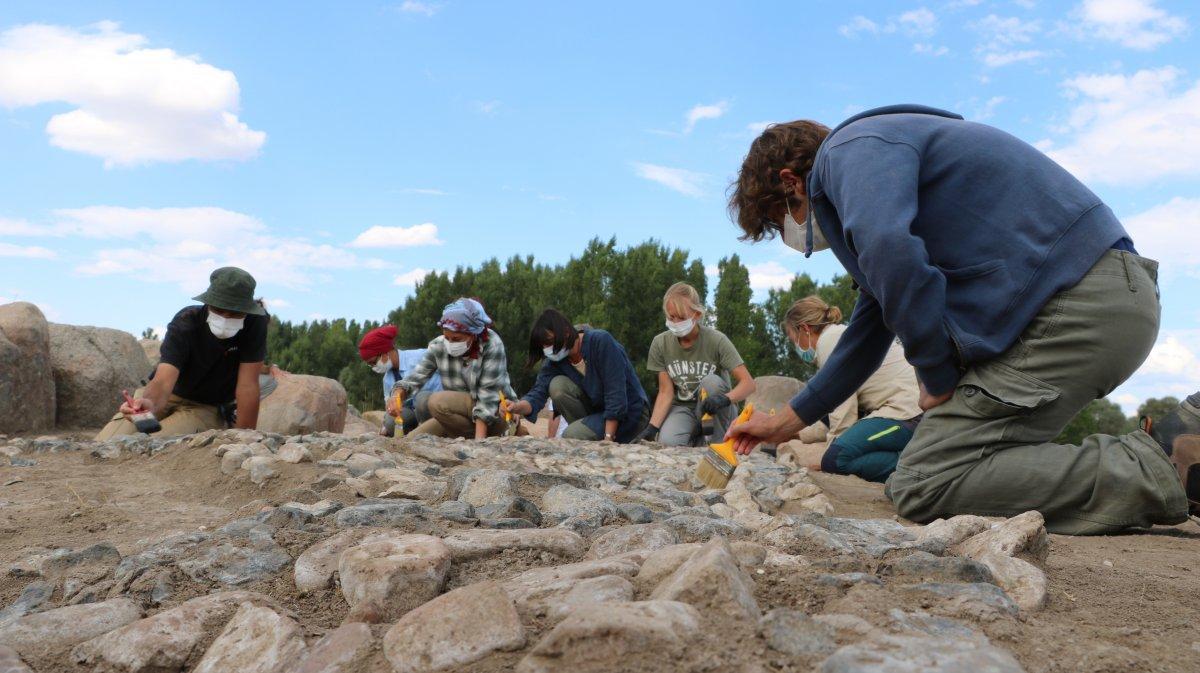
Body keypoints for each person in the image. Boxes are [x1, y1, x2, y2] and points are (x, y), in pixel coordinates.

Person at [723, 104, 1194, 534]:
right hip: (1094, 298)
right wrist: (785, 420)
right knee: (942, 464)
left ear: (791, 181)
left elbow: (891, 252)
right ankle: (1174, 449)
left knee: (926, 480)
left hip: (1078, 302)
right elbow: (870, 329)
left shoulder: (851, 151)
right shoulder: (885, 159)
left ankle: (1170, 461)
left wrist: (934, 373)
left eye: (783, 216)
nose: (798, 238)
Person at [96, 267, 268, 439]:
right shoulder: (187, 321)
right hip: (165, 396)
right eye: (219, 309)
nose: (225, 317)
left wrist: (243, 439)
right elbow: (163, 380)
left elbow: (248, 385)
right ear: (208, 303)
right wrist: (148, 403)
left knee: (150, 444)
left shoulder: (255, 324)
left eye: (235, 313)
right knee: (105, 443)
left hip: (204, 408)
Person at [777, 296, 922, 483]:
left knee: (837, 460)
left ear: (804, 329)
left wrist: (828, 459)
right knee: (820, 408)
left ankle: (924, 468)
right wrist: (796, 432)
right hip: (906, 411)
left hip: (908, 414)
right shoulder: (841, 335)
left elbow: (844, 414)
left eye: (793, 339)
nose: (796, 346)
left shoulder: (829, 341)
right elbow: (828, 415)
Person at [503, 309, 649, 442]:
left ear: (566, 332)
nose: (546, 349)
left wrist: (608, 440)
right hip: (599, 415)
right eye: (542, 346)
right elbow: (537, 394)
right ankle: (588, 431)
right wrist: (516, 407)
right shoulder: (554, 362)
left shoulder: (600, 342)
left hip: (629, 415)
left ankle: (593, 435)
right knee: (557, 385)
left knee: (571, 435)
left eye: (549, 342)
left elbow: (615, 394)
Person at [641, 282, 756, 446]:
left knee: (711, 382)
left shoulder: (717, 340)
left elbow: (749, 384)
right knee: (668, 443)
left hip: (717, 407)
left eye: (681, 318)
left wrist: (724, 399)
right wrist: (652, 428)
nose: (675, 322)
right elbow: (666, 392)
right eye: (671, 317)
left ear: (696, 314)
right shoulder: (660, 343)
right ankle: (697, 437)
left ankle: (715, 442)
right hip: (683, 408)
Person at [392, 298, 513, 439]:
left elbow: (487, 399)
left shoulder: (492, 344)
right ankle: (471, 436)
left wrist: (480, 445)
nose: (450, 343)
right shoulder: (438, 346)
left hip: (495, 414)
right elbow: (415, 378)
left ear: (473, 334)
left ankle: (499, 432)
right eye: (446, 337)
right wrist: (397, 394)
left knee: (437, 402)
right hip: (462, 417)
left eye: (456, 339)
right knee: (412, 440)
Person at [357, 324, 443, 436]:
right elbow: (390, 407)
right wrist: (388, 420)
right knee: (390, 422)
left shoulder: (420, 357)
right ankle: (417, 430)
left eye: (373, 362)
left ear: (385, 353)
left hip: (434, 407)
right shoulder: (387, 379)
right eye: (370, 365)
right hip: (413, 412)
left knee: (422, 400)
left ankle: (430, 431)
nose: (373, 367)